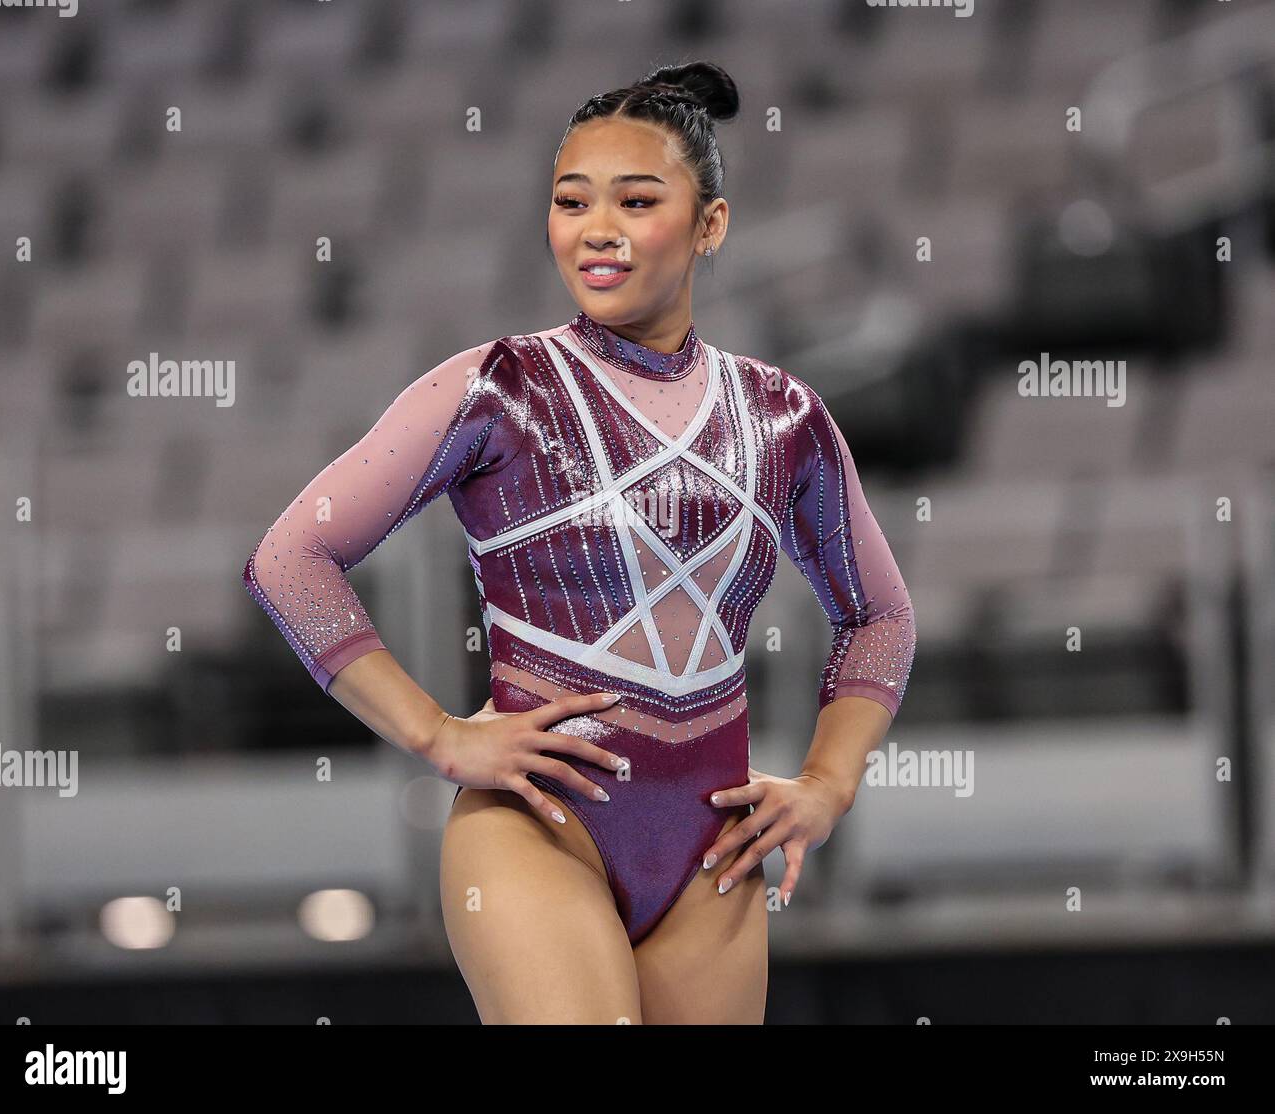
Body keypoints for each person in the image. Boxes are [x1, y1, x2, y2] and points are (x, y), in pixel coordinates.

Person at [242, 60, 915, 1024]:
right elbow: (290, 560)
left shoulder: (785, 419)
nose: (597, 229)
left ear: (710, 223)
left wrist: (827, 783)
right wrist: (436, 734)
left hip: (709, 850)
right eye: (570, 201)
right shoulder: (496, 389)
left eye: (637, 200)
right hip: (537, 830)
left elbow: (880, 617)